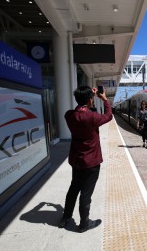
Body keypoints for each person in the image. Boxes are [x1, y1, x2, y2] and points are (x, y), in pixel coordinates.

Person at [58, 85, 112, 233]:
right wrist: (104, 99)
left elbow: (83, 113)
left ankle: (65, 218)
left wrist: (90, 99)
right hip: (91, 162)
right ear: (90, 100)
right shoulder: (92, 117)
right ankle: (84, 223)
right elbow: (108, 116)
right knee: (86, 194)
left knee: (73, 189)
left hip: (77, 161)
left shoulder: (69, 115)